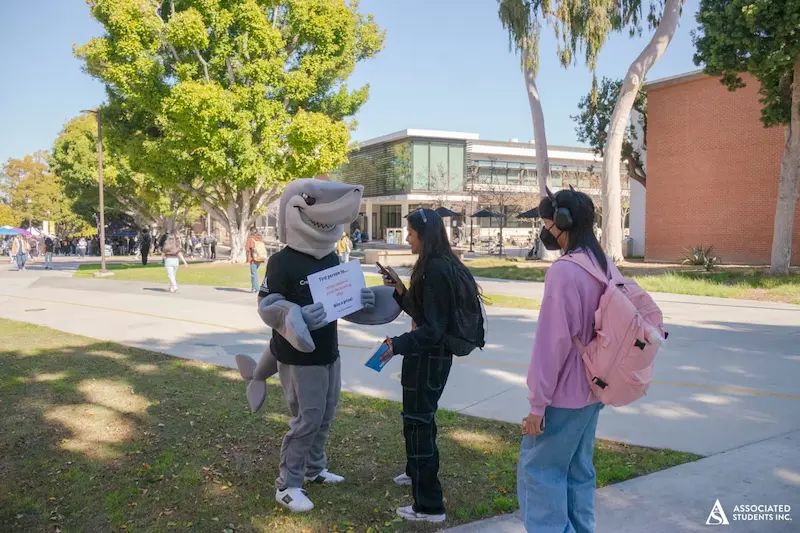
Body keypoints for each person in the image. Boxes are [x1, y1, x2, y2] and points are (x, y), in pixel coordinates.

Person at [517, 188, 616, 533]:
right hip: (594, 388)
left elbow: (552, 343)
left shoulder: (564, 271)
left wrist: (537, 405)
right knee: (577, 470)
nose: (544, 230)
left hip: (564, 394)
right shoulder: (603, 264)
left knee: (539, 472)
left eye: (547, 223)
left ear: (562, 222)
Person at [378, 208, 482, 524]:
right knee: (419, 418)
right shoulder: (438, 264)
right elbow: (426, 314)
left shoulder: (435, 269)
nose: (407, 238)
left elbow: (433, 330)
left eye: (410, 233)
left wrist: (397, 345)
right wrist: (400, 290)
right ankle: (414, 472)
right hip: (428, 357)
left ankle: (429, 506)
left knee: (419, 424)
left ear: (424, 235)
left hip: (428, 359)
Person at [245, 226, 267, 293]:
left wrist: (247, 257)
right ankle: (254, 287)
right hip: (260, 257)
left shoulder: (250, 238)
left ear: (251, 231)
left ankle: (256, 288)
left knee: (253, 274)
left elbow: (247, 248)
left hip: (253, 258)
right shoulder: (260, 238)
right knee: (255, 273)